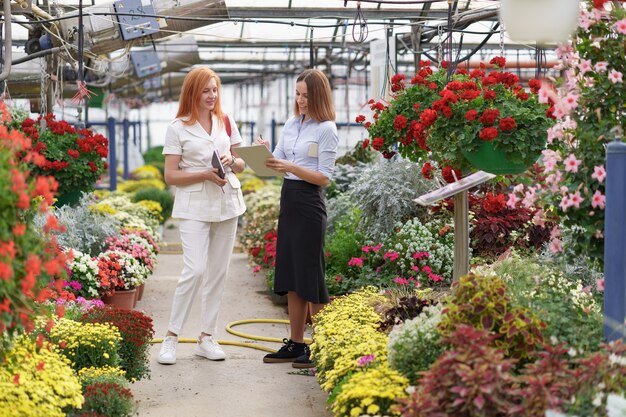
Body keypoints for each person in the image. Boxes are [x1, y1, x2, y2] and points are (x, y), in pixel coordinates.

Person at [157, 67, 246, 365]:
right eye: (206, 90)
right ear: (193, 92)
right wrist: (205, 174)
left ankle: (207, 337)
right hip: (194, 205)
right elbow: (171, 175)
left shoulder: (226, 121)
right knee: (194, 270)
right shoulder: (178, 127)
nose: (212, 96)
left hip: (227, 203)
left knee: (218, 273)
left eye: (215, 90)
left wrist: (232, 160)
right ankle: (170, 337)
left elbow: (242, 163)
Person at [258, 68, 338, 368]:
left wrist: (290, 165)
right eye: (297, 94)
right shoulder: (292, 123)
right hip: (289, 200)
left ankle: (320, 346)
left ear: (318, 96)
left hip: (308, 202)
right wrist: (264, 153)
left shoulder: (326, 128)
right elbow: (276, 161)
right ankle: (296, 342)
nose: (300, 100)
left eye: (306, 95)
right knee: (292, 274)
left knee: (310, 276)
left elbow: (324, 177)